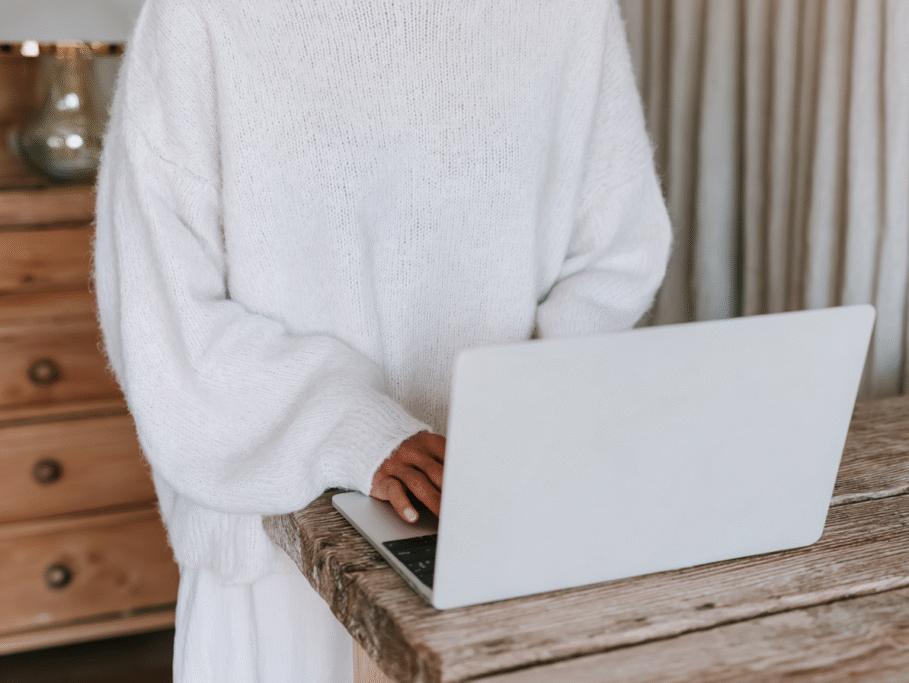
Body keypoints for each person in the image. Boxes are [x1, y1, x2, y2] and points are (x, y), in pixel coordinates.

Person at [93, 0, 672, 681]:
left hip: (503, 525)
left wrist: (525, 416)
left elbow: (616, 254)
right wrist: (356, 429)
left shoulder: (567, 13)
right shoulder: (205, 15)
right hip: (281, 542)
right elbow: (159, 310)